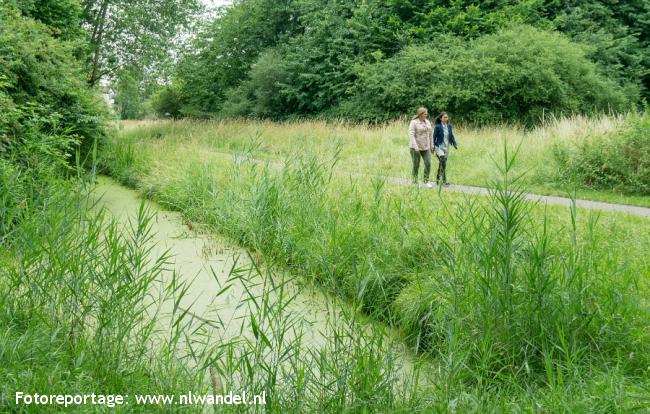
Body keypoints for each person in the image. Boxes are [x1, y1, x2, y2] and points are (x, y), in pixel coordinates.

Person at [408, 107, 433, 188]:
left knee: (428, 163)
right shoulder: (414, 122)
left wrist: (432, 146)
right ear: (420, 114)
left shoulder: (428, 122)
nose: (426, 115)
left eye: (426, 114)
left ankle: (426, 181)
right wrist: (416, 147)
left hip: (426, 147)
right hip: (415, 148)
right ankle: (414, 182)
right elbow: (411, 135)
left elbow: (430, 135)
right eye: (425, 114)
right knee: (416, 165)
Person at [432, 111, 458, 186]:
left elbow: (451, 136)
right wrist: (433, 147)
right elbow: (433, 137)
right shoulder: (437, 127)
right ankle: (444, 181)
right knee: (442, 161)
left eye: (447, 117)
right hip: (439, 147)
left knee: (442, 164)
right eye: (444, 117)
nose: (446, 118)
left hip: (446, 147)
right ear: (440, 118)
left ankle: (438, 177)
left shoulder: (449, 126)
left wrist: (455, 144)